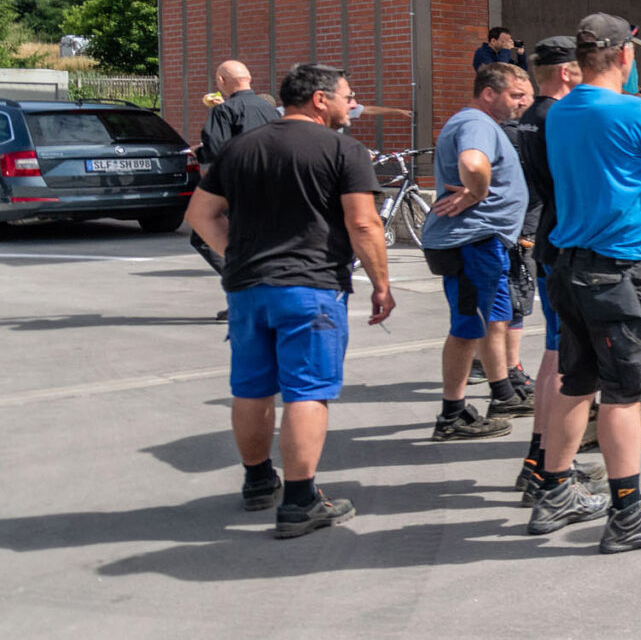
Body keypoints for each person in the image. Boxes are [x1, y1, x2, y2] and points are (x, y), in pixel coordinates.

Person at [181, 63, 391, 538]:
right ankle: (299, 501)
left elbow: (200, 213)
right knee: (307, 391)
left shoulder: (240, 147)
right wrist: (381, 283)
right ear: (319, 99)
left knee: (251, 387)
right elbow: (363, 223)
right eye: (346, 96)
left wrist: (237, 255)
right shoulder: (344, 149)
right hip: (310, 287)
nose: (351, 105)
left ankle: (258, 481)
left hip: (247, 288)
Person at [533, 13, 641, 551]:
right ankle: (628, 513)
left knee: (576, 382)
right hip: (622, 267)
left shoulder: (561, 111)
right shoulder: (637, 111)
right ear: (626, 56)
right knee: (624, 394)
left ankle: (554, 491)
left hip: (570, 264)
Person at [501, 37, 606, 505]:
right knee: (567, 360)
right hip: (565, 241)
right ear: (566, 72)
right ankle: (548, 470)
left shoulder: (530, 117)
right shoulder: (556, 117)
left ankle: (539, 460)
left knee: (555, 354)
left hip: (549, 236)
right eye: (581, 67)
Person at [423, 62, 535, 439]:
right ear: (489, 93)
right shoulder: (476, 123)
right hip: (471, 242)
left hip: (488, 242)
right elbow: (472, 161)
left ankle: (503, 394)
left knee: (495, 320)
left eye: (526, 96)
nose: (522, 102)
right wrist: (478, 191)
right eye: (515, 95)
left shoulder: (485, 124)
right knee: (468, 327)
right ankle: (452, 416)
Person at [191, 60, 285, 309]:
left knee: (204, 237)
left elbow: (216, 151)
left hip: (238, 187)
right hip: (272, 185)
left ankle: (247, 291)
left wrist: (198, 152)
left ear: (221, 81)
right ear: (249, 79)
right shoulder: (270, 110)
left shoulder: (223, 111)